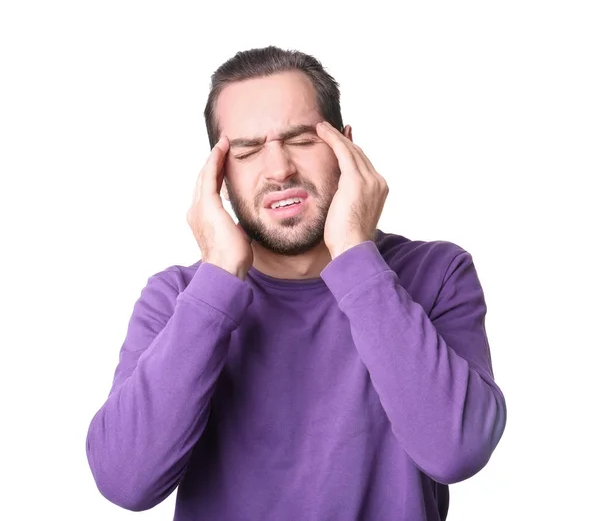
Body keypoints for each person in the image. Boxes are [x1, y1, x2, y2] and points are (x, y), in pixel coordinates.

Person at [85, 45, 507, 521]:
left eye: (302, 140)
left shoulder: (436, 273)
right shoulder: (178, 299)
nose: (279, 169)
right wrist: (219, 276)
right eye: (246, 150)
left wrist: (354, 253)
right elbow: (125, 481)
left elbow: (457, 451)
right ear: (218, 175)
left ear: (348, 148)